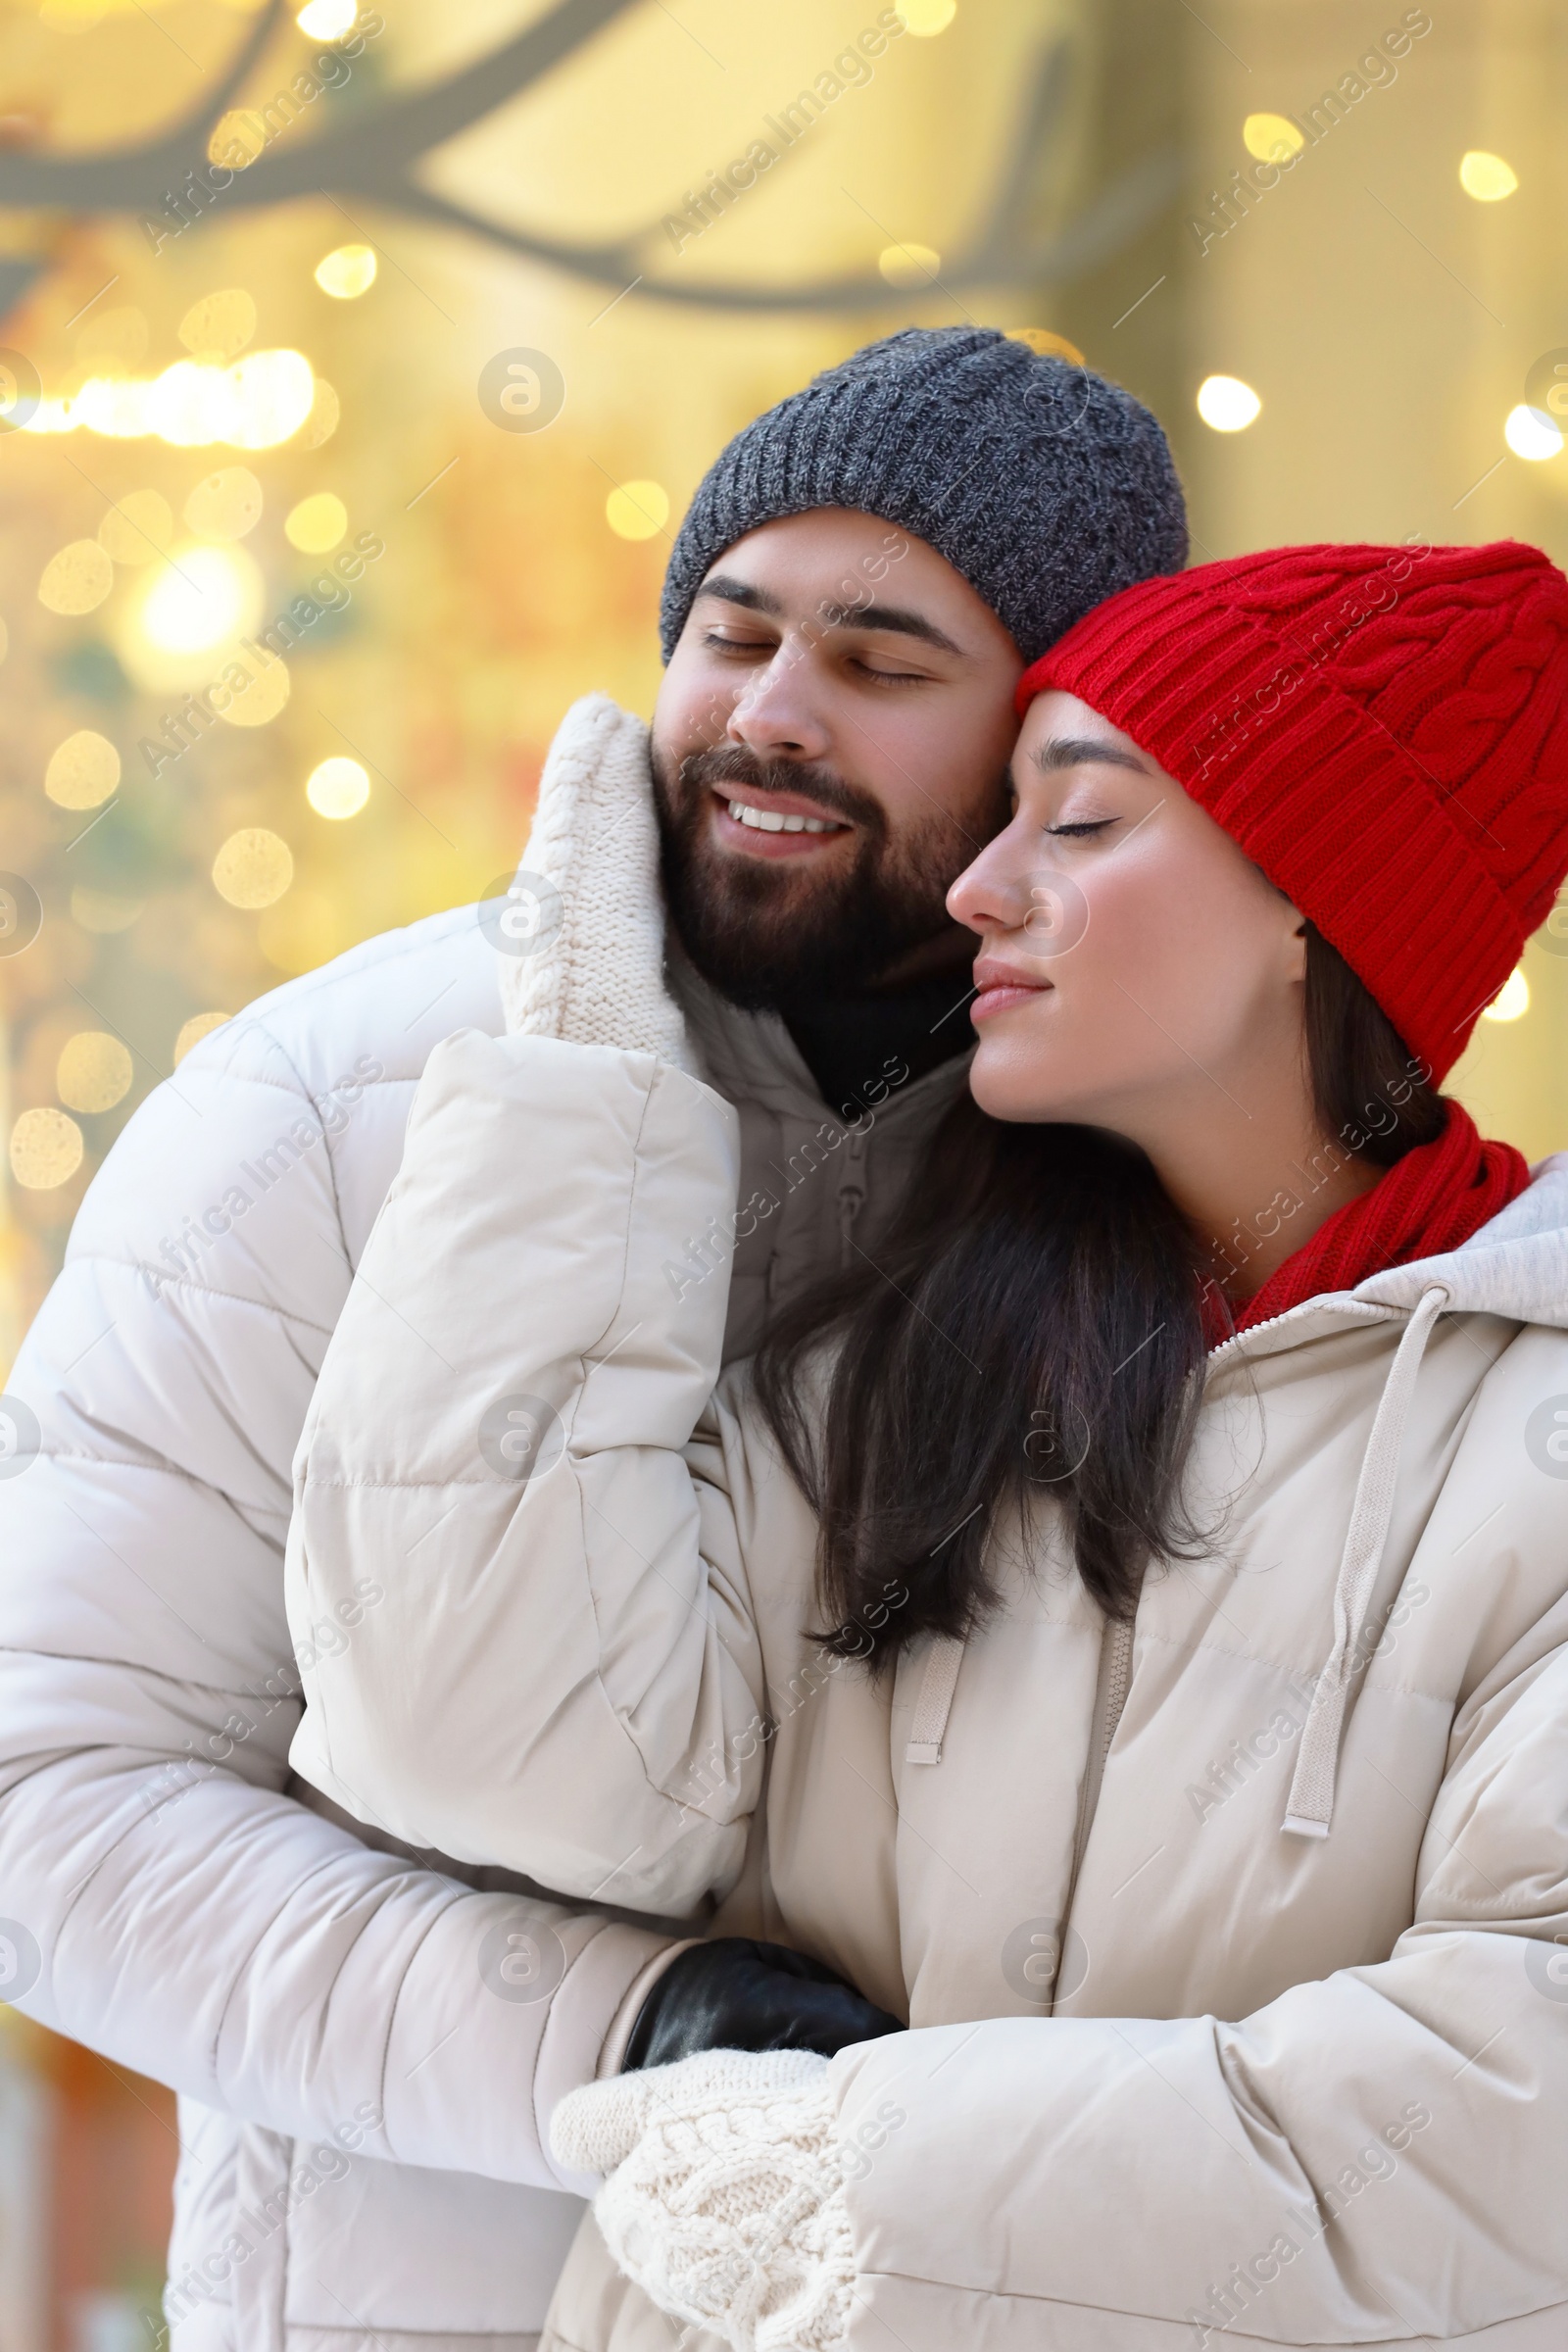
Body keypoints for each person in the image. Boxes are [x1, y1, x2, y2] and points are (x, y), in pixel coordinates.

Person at [0, 325, 1186, 2352]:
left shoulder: (1155, 1161)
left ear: (1052, 743)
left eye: (883, 664)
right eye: (729, 636)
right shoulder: (331, 1107)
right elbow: (54, 1802)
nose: (772, 716)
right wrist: (629, 2033)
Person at [286, 539, 1568, 2352]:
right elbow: (473, 1746)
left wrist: (864, 2189)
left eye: (1083, 825)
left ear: (1311, 908)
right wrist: (575, 1084)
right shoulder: (894, 1374)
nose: (979, 889)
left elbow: (1514, 2111)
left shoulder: (1529, 1441)